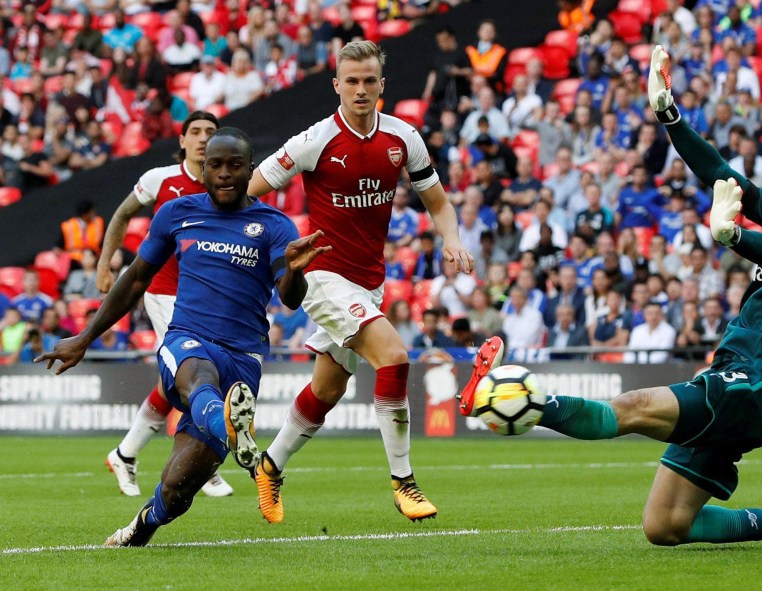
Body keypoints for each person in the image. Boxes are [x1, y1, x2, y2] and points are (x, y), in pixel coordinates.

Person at [459, 45, 762, 549]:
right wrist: (670, 117)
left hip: (756, 386)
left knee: (635, 407)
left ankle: (530, 402)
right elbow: (720, 173)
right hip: (736, 373)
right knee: (665, 525)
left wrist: (733, 236)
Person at [36, 127, 328, 547]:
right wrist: (85, 337)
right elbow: (136, 279)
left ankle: (142, 526)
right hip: (187, 339)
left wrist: (296, 272)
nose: (224, 173)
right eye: (215, 165)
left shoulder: (274, 226)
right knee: (198, 377)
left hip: (244, 359)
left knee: (177, 489)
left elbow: (290, 300)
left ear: (250, 170)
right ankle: (231, 427)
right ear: (203, 169)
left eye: (234, 166)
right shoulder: (176, 213)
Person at [245, 41, 473, 524]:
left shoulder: (404, 138)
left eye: (370, 80)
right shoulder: (315, 140)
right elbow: (250, 188)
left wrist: (451, 238)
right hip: (324, 276)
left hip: (369, 282)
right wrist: (261, 245)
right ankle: (404, 481)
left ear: (382, 85)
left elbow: (438, 203)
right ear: (337, 86)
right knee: (394, 357)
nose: (361, 89)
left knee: (326, 390)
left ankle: (270, 465)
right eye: (352, 81)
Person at [95, 111, 231, 498]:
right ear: (183, 140)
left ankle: (126, 454)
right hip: (166, 293)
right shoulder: (161, 179)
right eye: (196, 132)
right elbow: (122, 214)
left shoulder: (224, 186)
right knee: (195, 372)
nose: (204, 138)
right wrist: (106, 264)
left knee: (179, 380)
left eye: (211, 132)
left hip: (208, 295)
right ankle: (201, 463)